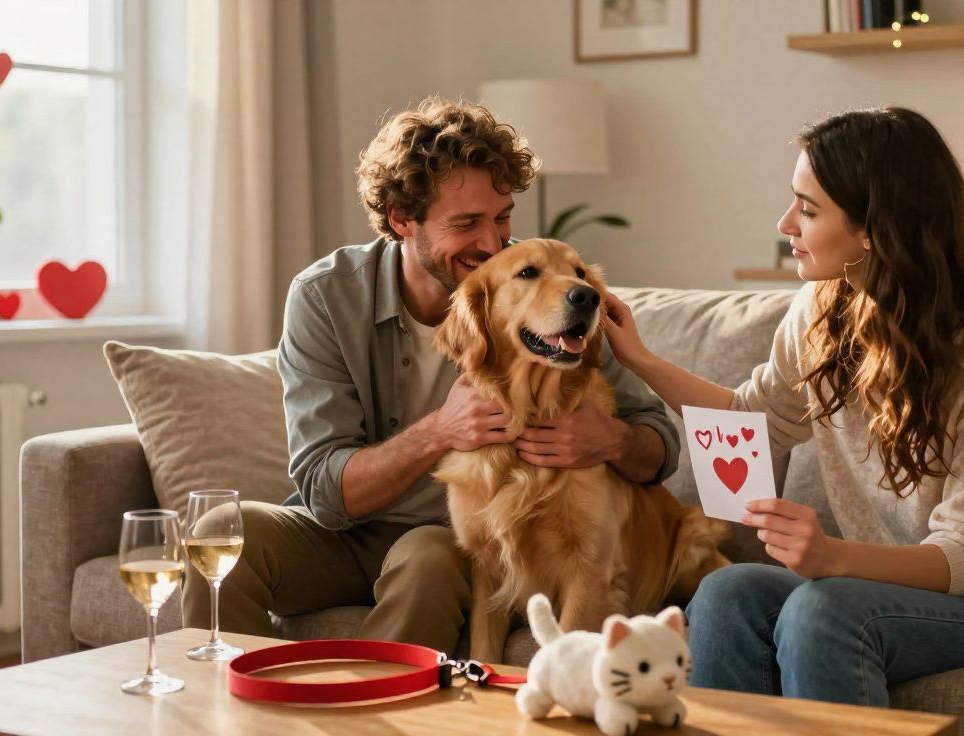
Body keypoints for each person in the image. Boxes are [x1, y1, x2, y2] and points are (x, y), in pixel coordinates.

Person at [600, 107, 964, 706]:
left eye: (809, 210)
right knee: (727, 593)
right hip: (884, 587)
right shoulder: (818, 311)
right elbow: (753, 418)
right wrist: (640, 358)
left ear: (873, 230)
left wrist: (832, 557)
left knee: (822, 611)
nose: (785, 224)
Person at [183, 97, 680, 654]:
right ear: (401, 218)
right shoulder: (325, 296)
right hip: (342, 532)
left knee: (425, 563)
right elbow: (323, 491)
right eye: (466, 224)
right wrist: (440, 431)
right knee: (222, 533)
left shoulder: (537, 289)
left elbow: (660, 444)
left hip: (449, 539)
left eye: (502, 217)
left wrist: (609, 440)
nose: (492, 243)